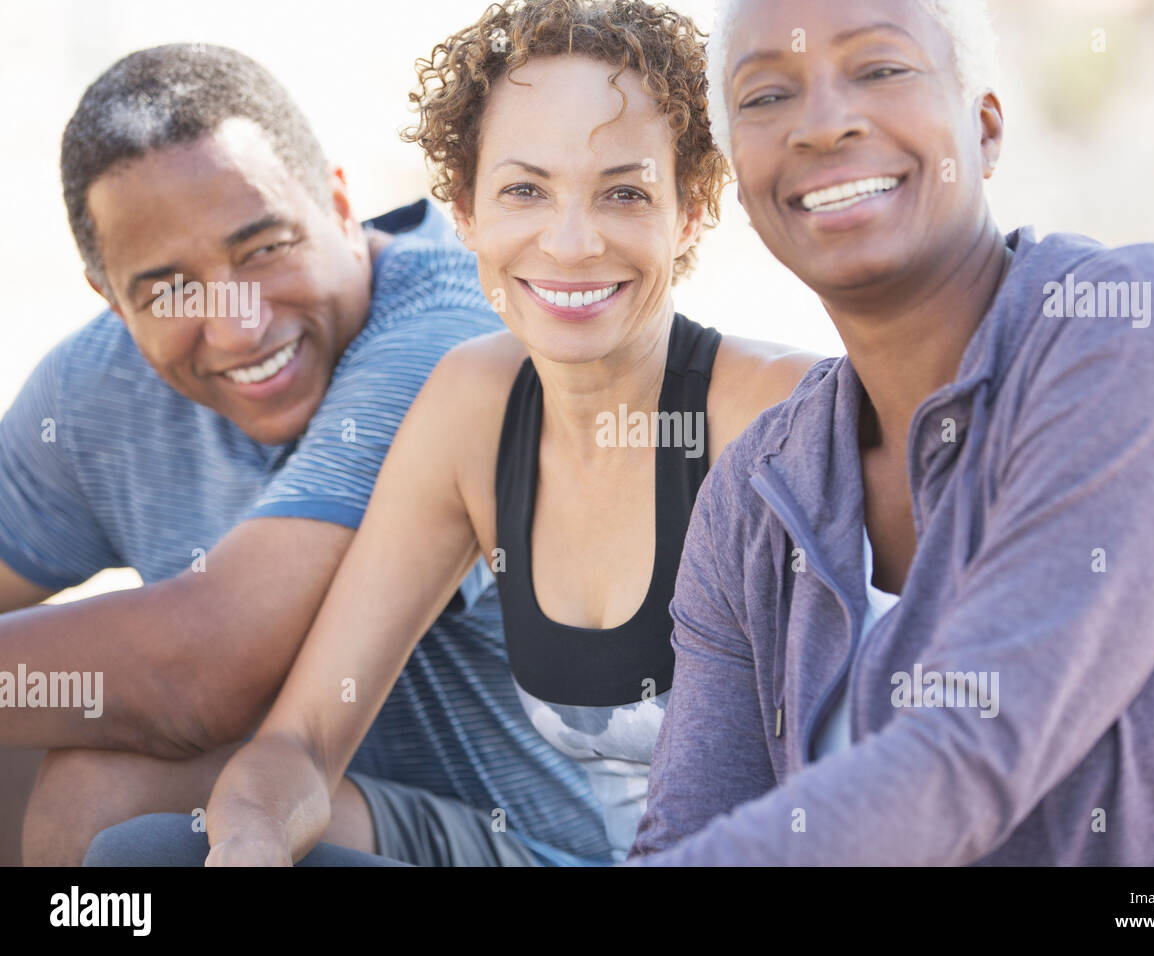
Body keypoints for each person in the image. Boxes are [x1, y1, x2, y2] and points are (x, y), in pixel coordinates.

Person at [85, 0, 821, 867]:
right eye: (524, 190)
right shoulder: (476, 403)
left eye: (624, 192)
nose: (572, 242)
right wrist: (248, 844)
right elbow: (303, 744)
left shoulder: (777, 420)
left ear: (691, 210)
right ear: (465, 210)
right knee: (148, 855)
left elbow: (885, 784)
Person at [627, 0, 1154, 865]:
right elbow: (681, 839)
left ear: (984, 129)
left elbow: (964, 761)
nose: (824, 124)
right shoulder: (755, 498)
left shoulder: (1144, 327)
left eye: (880, 69)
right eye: (765, 97)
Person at [1, 42, 615, 867]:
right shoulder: (93, 389)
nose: (240, 325)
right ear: (108, 297)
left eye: (263, 249)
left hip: (544, 846)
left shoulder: (456, 339)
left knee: (101, 804)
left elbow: (207, 668)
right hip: (311, 800)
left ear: (337, 204)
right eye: (167, 290)